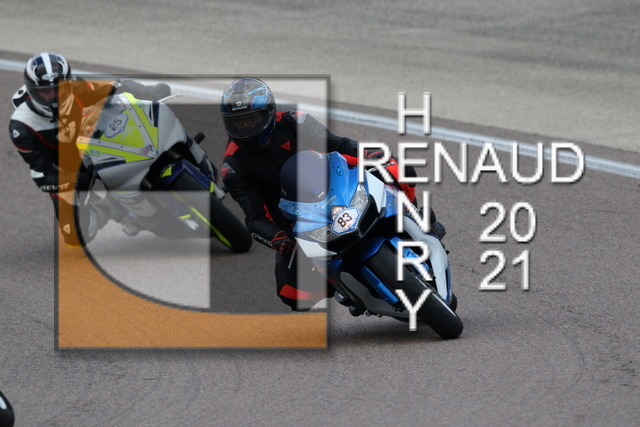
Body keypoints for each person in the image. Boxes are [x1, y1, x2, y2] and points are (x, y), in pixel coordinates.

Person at [220, 77, 443, 311]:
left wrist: (370, 155)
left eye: (251, 119)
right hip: (296, 221)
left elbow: (337, 145)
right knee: (291, 292)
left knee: (399, 169)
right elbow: (255, 218)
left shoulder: (295, 121)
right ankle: (347, 289)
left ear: (268, 112)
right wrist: (279, 239)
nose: (245, 127)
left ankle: (417, 220)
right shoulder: (232, 167)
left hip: (337, 187)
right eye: (238, 122)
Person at [9, 52, 172, 246]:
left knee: (131, 114)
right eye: (45, 92)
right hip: (64, 167)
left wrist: (147, 92)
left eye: (58, 89)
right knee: (76, 235)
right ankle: (111, 207)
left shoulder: (76, 85)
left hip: (92, 139)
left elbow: (115, 85)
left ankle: (171, 153)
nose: (53, 96)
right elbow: (42, 173)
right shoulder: (22, 127)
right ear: (31, 91)